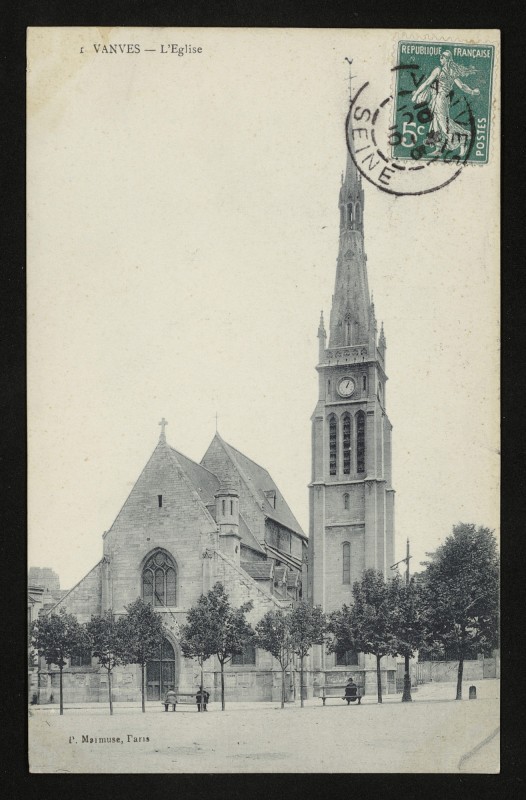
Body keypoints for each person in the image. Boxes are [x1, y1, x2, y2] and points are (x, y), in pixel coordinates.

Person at [411, 50, 480, 157]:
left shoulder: (439, 70)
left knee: (444, 126)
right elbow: (462, 86)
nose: (440, 59)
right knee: (436, 124)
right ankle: (439, 148)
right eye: (440, 57)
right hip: (439, 99)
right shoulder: (452, 72)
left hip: (440, 99)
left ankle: (463, 138)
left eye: (442, 57)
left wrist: (416, 95)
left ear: (447, 59)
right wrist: (472, 91)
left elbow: (427, 83)